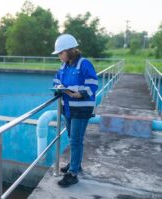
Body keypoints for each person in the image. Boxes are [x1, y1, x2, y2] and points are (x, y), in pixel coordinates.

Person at [52, 34, 98, 187]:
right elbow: (56, 79)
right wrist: (58, 88)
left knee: (75, 140)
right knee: (73, 137)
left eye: (60, 53)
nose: (59, 56)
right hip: (68, 108)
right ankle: (75, 164)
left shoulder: (84, 64)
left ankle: (73, 174)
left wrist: (81, 93)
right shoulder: (64, 66)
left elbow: (92, 84)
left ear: (69, 51)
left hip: (81, 109)